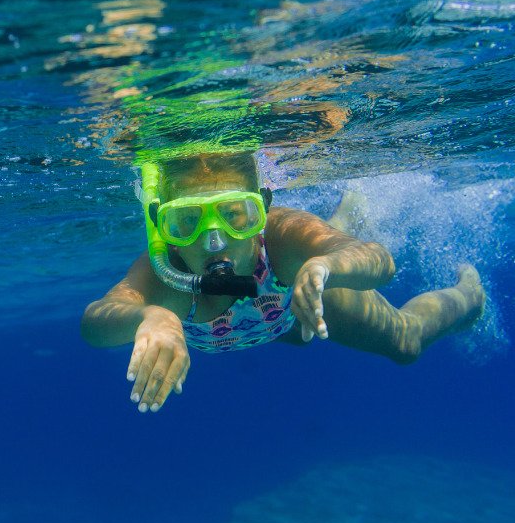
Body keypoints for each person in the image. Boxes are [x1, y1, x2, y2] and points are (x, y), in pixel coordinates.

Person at [81, 151, 485, 413]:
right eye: (187, 220)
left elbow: (380, 260)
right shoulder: (162, 274)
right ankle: (343, 216)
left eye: (235, 214)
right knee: (313, 270)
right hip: (274, 320)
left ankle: (471, 295)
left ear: (264, 208)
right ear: (162, 226)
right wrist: (147, 317)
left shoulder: (280, 238)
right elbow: (95, 322)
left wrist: (326, 267)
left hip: (296, 302)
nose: (213, 239)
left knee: (404, 343)